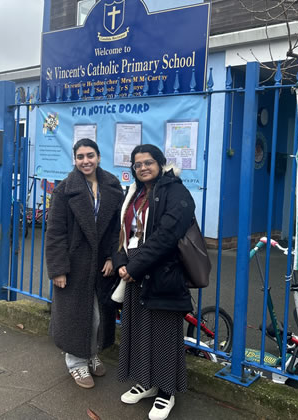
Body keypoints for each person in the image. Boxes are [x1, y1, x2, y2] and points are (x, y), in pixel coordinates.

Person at [113, 144, 195, 420]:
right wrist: (121, 261)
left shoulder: (176, 192)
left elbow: (167, 236)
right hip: (132, 269)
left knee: (163, 333)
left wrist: (135, 267)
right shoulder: (134, 193)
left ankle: (166, 391)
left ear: (160, 163)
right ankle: (146, 381)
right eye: (137, 164)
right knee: (138, 329)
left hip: (162, 271)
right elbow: (122, 231)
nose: (143, 168)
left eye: (148, 162)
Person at [45, 138, 123, 389]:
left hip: (101, 265)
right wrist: (58, 269)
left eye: (90, 155)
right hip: (74, 264)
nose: (85, 161)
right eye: (80, 157)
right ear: (75, 159)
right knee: (75, 316)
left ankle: (91, 353)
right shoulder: (64, 190)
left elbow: (117, 228)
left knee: (98, 315)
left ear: (98, 157)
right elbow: (55, 232)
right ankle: (76, 362)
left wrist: (112, 257)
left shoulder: (112, 185)